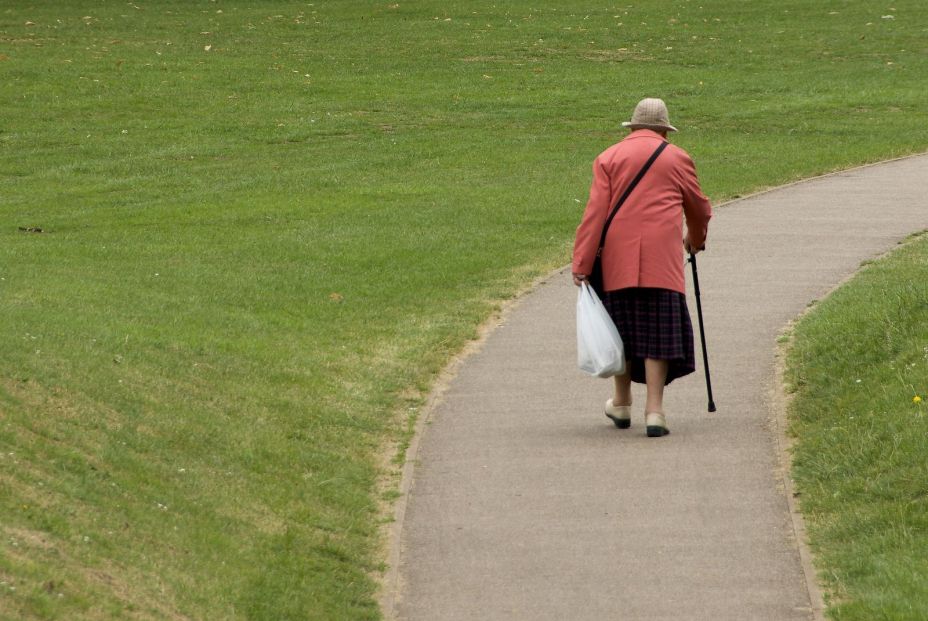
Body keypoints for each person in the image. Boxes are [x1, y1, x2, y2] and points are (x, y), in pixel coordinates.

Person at [572, 98, 712, 437]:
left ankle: (621, 403)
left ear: (632, 128)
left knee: (623, 329)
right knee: (657, 333)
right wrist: (695, 240)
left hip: (616, 258)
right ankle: (655, 411)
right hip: (661, 261)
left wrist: (582, 263)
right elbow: (699, 208)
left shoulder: (609, 157)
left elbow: (595, 216)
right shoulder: (677, 158)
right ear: (665, 130)